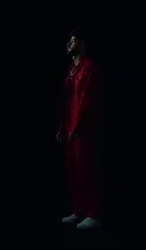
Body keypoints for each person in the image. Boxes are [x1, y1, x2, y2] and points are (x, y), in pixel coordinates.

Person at [56, 28, 103, 231]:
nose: (69, 44)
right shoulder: (71, 70)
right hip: (69, 129)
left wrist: (77, 126)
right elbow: (66, 102)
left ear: (83, 44)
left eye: (73, 40)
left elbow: (86, 101)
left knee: (86, 171)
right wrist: (62, 127)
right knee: (72, 171)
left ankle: (93, 214)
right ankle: (79, 210)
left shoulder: (89, 68)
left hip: (83, 129)